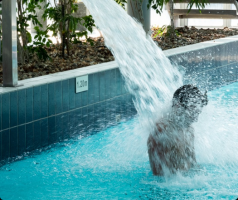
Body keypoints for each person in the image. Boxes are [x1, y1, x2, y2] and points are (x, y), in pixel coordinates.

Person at [147, 85, 208, 176]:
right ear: (178, 105)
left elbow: (193, 165)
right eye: (193, 113)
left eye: (198, 113)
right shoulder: (162, 133)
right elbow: (160, 177)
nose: (196, 120)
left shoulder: (188, 129)